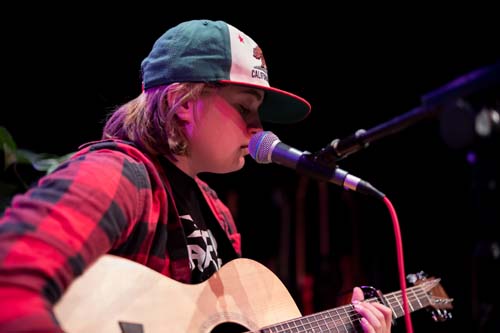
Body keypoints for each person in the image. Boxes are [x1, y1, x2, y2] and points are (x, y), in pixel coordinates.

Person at [0, 19, 393, 332]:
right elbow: (9, 277)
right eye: (245, 108)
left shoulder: (217, 212)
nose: (261, 129)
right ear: (182, 103)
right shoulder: (120, 175)